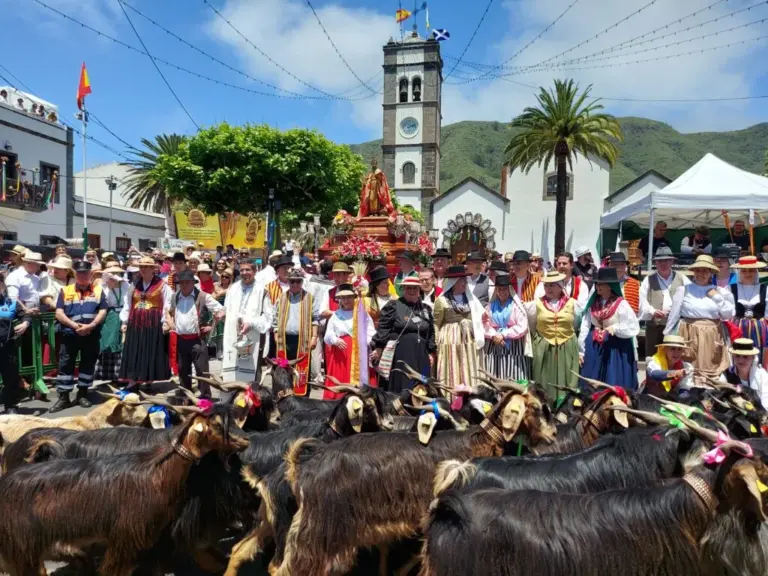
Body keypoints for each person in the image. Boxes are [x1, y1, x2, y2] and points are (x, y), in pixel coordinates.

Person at [665, 254, 735, 385]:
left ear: (711, 273)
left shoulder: (721, 292)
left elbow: (728, 314)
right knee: (688, 369)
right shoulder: (684, 290)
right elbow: (674, 315)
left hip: (712, 336)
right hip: (688, 334)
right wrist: (667, 337)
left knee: (711, 368)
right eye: (698, 270)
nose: (700, 273)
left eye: (704, 270)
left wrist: (717, 298)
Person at [51, 261, 108, 412]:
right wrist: (75, 326)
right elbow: (59, 313)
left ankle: (82, 394)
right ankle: (64, 398)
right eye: (79, 273)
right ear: (75, 274)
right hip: (70, 334)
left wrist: (91, 325)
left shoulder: (98, 290)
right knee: (65, 364)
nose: (82, 276)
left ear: (90, 274)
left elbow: (103, 311)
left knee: (88, 364)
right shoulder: (65, 290)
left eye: (85, 273)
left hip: (91, 334)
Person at [164, 270, 224, 398]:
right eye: (181, 282)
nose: (184, 285)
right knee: (183, 370)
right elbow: (167, 311)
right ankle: (186, 397)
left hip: (197, 340)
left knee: (202, 371)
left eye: (187, 282)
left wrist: (211, 326)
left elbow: (221, 310)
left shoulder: (203, 296)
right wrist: (170, 324)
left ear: (193, 283)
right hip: (180, 340)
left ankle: (205, 397)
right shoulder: (175, 297)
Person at [371, 276, 435, 393]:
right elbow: (384, 327)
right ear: (403, 289)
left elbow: (431, 331)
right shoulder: (393, 306)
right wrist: (379, 347)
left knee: (421, 385)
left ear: (419, 290)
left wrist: (431, 352)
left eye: (414, 288)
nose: (411, 291)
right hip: (400, 353)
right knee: (402, 383)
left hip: (421, 354)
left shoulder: (426, 309)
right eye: (408, 288)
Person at [579, 267, 640, 390]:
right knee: (591, 379)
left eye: (602, 284)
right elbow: (585, 326)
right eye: (597, 283)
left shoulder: (621, 303)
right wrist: (581, 349)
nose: (598, 286)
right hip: (595, 345)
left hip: (615, 346)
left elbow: (633, 326)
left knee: (612, 378)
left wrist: (615, 328)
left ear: (610, 286)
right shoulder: (593, 304)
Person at [119, 256, 173, 390]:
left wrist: (165, 321)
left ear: (153, 269)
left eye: (146, 267)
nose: (142, 270)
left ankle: (148, 378)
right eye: (141, 267)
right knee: (134, 350)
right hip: (136, 322)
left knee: (150, 350)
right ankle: (133, 380)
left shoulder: (162, 285)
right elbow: (128, 302)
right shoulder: (134, 284)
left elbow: (167, 304)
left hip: (153, 322)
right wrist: (125, 321)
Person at [433, 266, 485, 395]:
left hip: (468, 339)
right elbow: (436, 324)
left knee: (468, 366)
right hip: (449, 339)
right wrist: (436, 344)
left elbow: (477, 316)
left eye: (465, 280)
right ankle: (450, 397)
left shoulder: (470, 299)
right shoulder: (442, 301)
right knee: (452, 366)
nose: (465, 283)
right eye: (462, 280)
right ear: (454, 282)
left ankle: (471, 394)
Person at [530, 271, 581, 399]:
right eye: (546, 285)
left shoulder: (572, 303)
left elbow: (576, 323)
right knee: (543, 378)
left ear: (561, 286)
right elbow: (532, 323)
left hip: (567, 345)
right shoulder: (537, 304)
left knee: (568, 377)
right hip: (544, 345)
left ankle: (565, 408)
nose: (548, 289)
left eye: (552, 285)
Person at [221, 260, 273, 382]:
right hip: (233, 338)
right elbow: (227, 309)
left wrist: (251, 323)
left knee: (251, 379)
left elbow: (268, 318)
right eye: (242, 270)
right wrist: (222, 314)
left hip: (252, 339)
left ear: (255, 271)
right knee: (231, 377)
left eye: (248, 270)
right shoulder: (233, 289)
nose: (244, 273)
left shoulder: (263, 291)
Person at [324, 283, 376, 398]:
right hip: (341, 355)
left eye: (348, 297)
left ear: (354, 298)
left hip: (359, 353)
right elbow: (328, 334)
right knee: (341, 378)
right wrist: (335, 340)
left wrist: (364, 343)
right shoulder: (336, 315)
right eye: (343, 298)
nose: (346, 300)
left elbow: (371, 332)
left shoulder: (362, 314)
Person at [273, 268, 320, 396]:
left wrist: (314, 336)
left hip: (302, 340)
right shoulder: (282, 297)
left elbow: (315, 319)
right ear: (288, 282)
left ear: (302, 282)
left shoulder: (310, 298)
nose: (295, 284)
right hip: (285, 340)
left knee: (302, 370)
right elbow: (275, 317)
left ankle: (302, 399)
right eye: (292, 281)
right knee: (283, 370)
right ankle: (284, 398)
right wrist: (276, 332)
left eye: (298, 281)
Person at [638, 247, 690, 355]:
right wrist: (652, 311)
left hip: (676, 326)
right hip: (654, 326)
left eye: (666, 260)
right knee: (652, 356)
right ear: (655, 263)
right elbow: (642, 299)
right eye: (660, 261)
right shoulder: (648, 279)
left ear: (672, 261)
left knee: (674, 356)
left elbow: (690, 298)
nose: (663, 263)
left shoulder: (682, 278)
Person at [483, 274, 529, 381]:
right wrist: (494, 335)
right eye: (499, 289)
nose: (502, 291)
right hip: (494, 345)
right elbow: (484, 324)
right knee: (495, 373)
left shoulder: (516, 306)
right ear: (496, 290)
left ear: (510, 289)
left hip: (513, 346)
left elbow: (522, 326)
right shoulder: (490, 306)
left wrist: (504, 334)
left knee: (514, 373)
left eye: (505, 289)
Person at [93, 264, 130, 386]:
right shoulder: (102, 286)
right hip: (110, 317)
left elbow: (128, 301)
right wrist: (108, 286)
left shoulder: (126, 285)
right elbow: (101, 302)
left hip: (124, 314)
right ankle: (111, 375)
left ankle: (123, 375)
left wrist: (125, 319)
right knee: (110, 343)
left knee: (124, 345)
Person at [0, 271, 31, 414]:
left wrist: (25, 323)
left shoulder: (11, 302)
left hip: (7, 347)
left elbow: (26, 315)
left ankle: (10, 406)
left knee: (11, 378)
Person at [729, 255, 768, 365]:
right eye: (744, 271)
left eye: (751, 270)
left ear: (756, 272)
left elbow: (767, 313)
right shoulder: (731, 288)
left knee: (757, 356)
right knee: (738, 354)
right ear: (739, 272)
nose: (747, 274)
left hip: (759, 330)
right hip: (737, 329)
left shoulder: (765, 289)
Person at [719, 338, 768, 406]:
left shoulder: (762, 375)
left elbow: (766, 399)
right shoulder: (727, 374)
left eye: (745, 357)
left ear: (753, 357)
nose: (741, 360)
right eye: (737, 356)